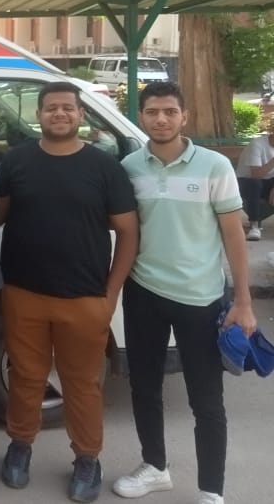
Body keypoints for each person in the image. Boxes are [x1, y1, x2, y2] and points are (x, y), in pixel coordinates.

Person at [0, 80, 139, 503]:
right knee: (25, 377)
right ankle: (20, 446)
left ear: (80, 115)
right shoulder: (16, 161)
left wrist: (111, 294)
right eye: (51, 107)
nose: (59, 113)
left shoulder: (105, 167)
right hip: (23, 293)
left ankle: (87, 459)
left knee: (82, 384)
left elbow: (129, 232)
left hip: (85, 298)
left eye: (67, 107)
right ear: (38, 115)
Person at [113, 82, 257, 504]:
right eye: (152, 112)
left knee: (206, 399)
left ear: (184, 117)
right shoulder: (129, 167)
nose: (161, 119)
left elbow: (233, 235)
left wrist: (244, 302)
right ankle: (154, 467)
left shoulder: (214, 166)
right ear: (141, 116)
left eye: (169, 112)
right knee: (144, 387)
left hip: (201, 298)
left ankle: (211, 489)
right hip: (143, 292)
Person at [234, 122, 274, 240]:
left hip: (268, 181)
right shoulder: (257, 144)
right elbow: (256, 174)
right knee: (255, 184)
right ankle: (254, 226)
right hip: (245, 182)